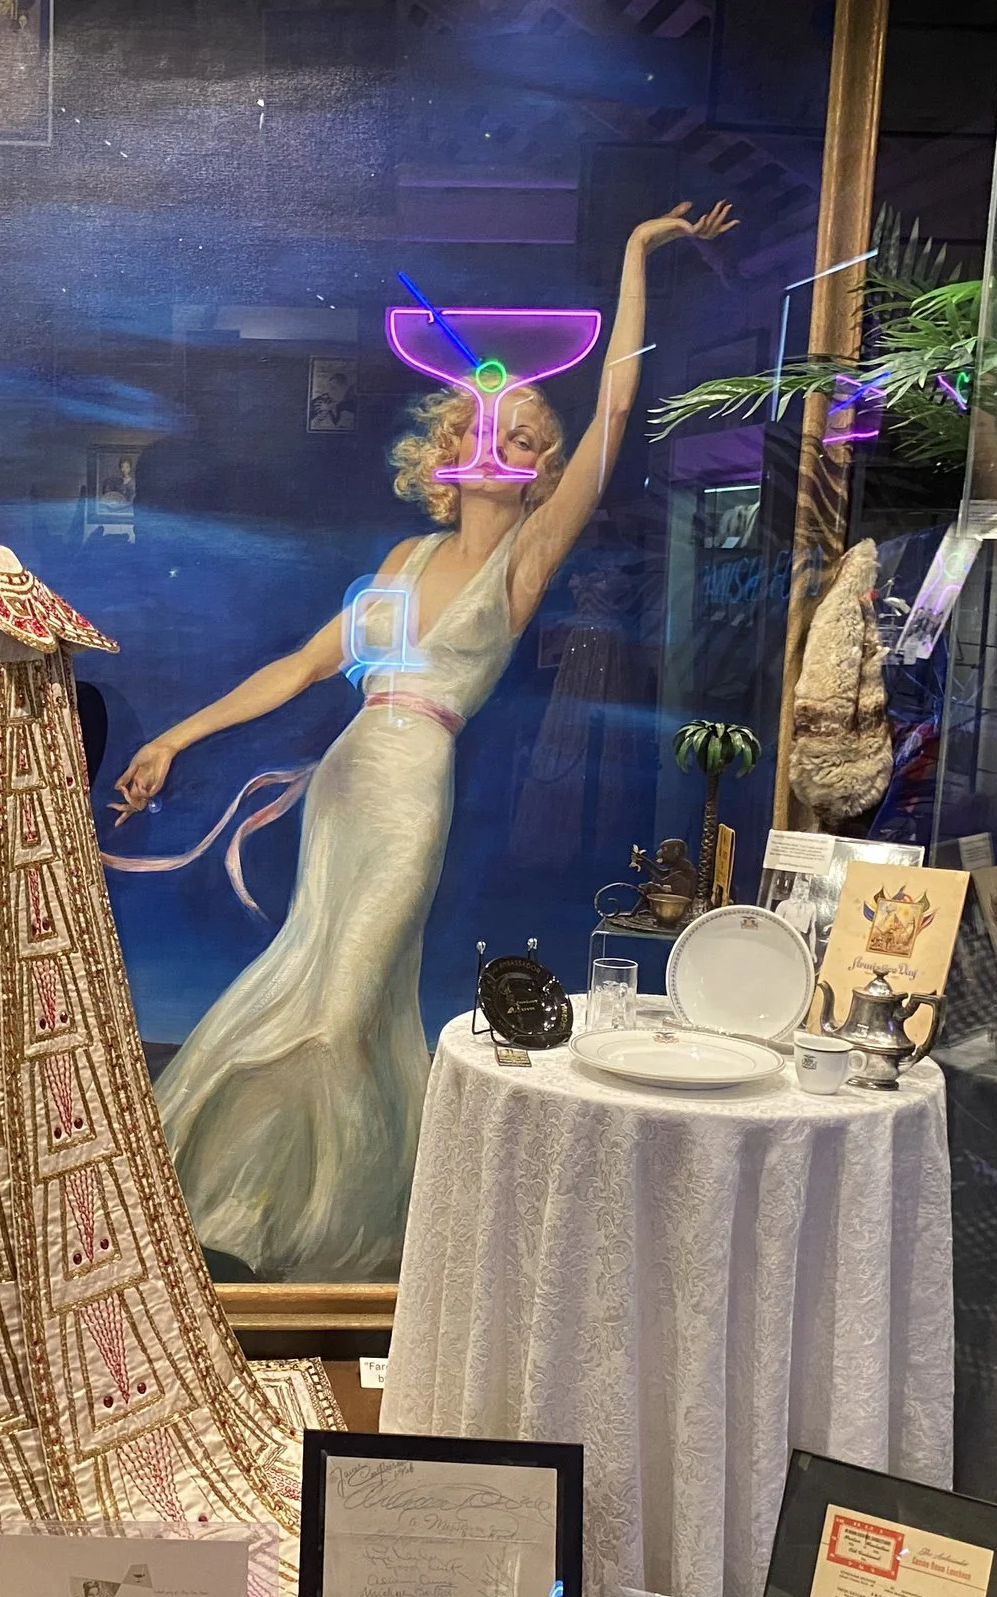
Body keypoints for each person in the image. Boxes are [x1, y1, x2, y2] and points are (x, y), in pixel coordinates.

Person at [109, 200, 736, 1279]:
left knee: (351, 1001)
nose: (498, 445)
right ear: (448, 455)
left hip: (414, 793)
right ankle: (244, 1211)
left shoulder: (528, 562)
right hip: (348, 784)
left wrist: (635, 254)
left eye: (525, 438)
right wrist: (175, 734)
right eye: (478, 431)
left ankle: (318, 1232)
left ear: (541, 466)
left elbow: (619, 405)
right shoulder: (398, 561)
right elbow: (303, 669)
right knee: (306, 980)